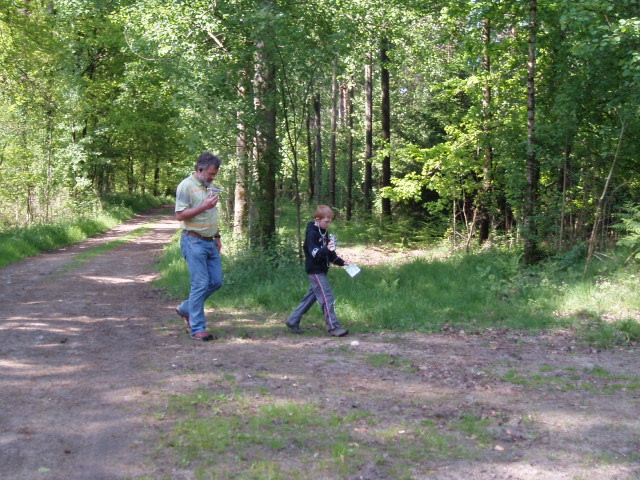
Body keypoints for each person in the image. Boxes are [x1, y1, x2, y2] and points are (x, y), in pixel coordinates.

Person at [174, 152, 223, 341]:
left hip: (210, 242)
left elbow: (212, 214)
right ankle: (198, 328)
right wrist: (204, 206)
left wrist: (217, 236)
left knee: (216, 281)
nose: (212, 178)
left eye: (214, 175)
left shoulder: (210, 186)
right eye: (210, 174)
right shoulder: (185, 186)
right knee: (200, 284)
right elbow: (180, 215)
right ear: (199, 169)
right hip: (193, 241)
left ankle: (187, 308)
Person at [285, 205, 350, 337]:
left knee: (310, 297)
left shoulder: (324, 232)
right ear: (318, 219)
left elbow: (329, 254)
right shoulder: (312, 234)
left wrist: (342, 262)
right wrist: (327, 249)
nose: (328, 223)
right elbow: (316, 253)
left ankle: (292, 320)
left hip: (322, 270)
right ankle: (333, 327)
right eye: (326, 221)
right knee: (327, 297)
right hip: (315, 271)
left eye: (330, 221)